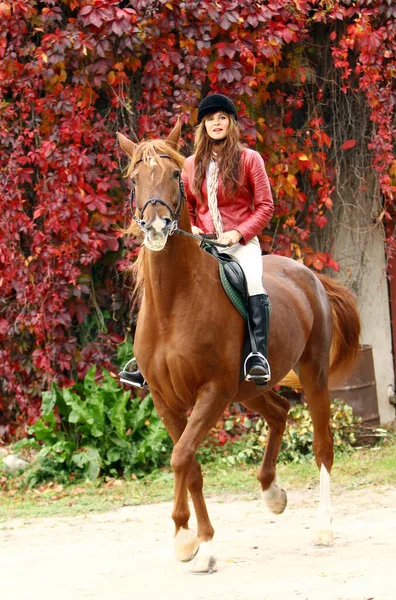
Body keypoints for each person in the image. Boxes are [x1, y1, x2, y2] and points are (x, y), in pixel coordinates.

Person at [119, 93, 274, 389]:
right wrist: (199, 229)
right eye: (210, 119)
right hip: (203, 242)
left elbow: (266, 206)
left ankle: (257, 355)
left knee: (253, 281)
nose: (216, 124)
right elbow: (185, 203)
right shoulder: (190, 164)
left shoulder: (249, 158)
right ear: (203, 126)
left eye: (221, 118)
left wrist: (239, 232)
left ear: (231, 123)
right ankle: (143, 360)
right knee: (160, 281)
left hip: (240, 243)